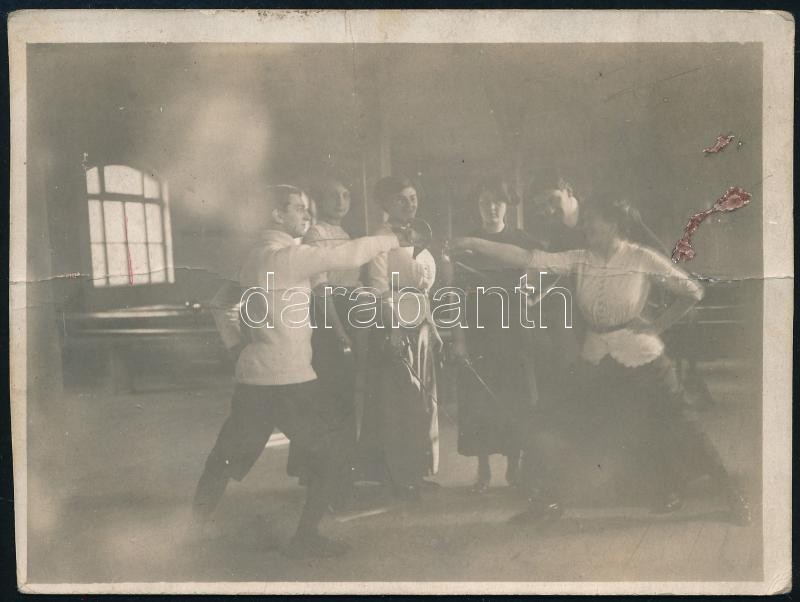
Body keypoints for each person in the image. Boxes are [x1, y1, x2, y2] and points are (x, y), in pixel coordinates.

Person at [449, 193, 751, 525]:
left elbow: (693, 291)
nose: (589, 227)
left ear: (614, 225)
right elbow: (527, 257)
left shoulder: (640, 257)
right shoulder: (581, 259)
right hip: (596, 356)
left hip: (643, 356)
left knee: (682, 424)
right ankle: (548, 502)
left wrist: (656, 326)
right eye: (588, 222)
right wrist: (473, 243)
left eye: (595, 221)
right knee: (551, 419)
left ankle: (732, 497)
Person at [191, 184, 409, 558]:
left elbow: (218, 303)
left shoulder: (251, 257)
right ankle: (306, 537)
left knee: (225, 455)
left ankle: (192, 529)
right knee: (332, 453)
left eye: (308, 209)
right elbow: (345, 253)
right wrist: (389, 238)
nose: (306, 215)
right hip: (290, 378)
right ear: (277, 215)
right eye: (298, 209)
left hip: (255, 377)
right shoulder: (285, 256)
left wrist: (235, 345)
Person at [450, 176, 537, 492]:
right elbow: (456, 295)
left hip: (513, 330)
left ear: (507, 205)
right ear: (477, 206)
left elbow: (539, 282)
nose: (491, 208)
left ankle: (514, 467)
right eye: (485, 202)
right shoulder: (465, 244)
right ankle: (483, 469)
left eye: (497, 201)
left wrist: (529, 299)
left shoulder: (523, 240)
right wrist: (459, 339)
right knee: (478, 401)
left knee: (514, 398)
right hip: (478, 331)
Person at [358, 176, 442, 501]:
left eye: (413, 198)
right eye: (401, 200)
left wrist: (432, 325)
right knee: (399, 402)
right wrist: (394, 328)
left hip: (420, 325)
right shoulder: (380, 239)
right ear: (385, 204)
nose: (409, 205)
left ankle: (416, 472)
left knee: (423, 401)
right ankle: (397, 477)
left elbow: (424, 289)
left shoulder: (418, 234)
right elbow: (379, 288)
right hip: (394, 324)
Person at [286, 179, 362, 510]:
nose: (341, 202)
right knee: (329, 402)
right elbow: (320, 288)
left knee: (345, 400)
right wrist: (339, 330)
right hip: (327, 319)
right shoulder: (315, 235)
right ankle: (324, 482)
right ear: (320, 201)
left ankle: (340, 477)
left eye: (346, 196)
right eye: (333, 196)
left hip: (348, 313)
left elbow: (353, 282)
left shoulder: (346, 235)